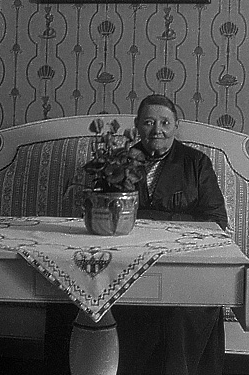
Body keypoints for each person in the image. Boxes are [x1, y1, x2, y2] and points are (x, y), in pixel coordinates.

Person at [45, 93, 228, 375]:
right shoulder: (116, 162)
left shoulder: (196, 163)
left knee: (190, 307)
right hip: (126, 263)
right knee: (71, 295)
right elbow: (102, 211)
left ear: (176, 126)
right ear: (137, 126)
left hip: (181, 263)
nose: (157, 130)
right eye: (149, 122)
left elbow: (216, 220)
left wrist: (147, 218)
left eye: (165, 122)